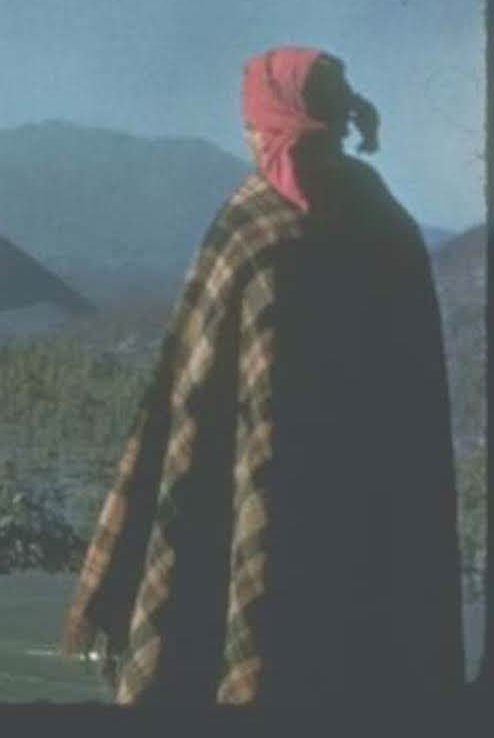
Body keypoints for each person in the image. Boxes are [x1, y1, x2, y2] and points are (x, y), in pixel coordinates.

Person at [63, 45, 464, 709]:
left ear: (278, 126)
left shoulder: (255, 222)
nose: (247, 136)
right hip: (368, 518)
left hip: (259, 493)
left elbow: (187, 395)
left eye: (253, 124)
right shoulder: (387, 224)